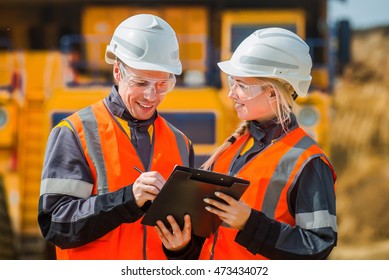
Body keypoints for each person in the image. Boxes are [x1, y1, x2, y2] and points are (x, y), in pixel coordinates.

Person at [156, 27, 337, 260]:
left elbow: (318, 246)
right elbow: (209, 239)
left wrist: (250, 223)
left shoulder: (308, 161)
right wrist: (180, 248)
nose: (232, 94)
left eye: (241, 85)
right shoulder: (230, 150)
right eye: (232, 82)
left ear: (273, 92)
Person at [37, 14, 195, 260]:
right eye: (141, 83)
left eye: (162, 84)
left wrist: (181, 248)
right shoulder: (74, 133)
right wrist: (128, 199)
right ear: (118, 72)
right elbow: (57, 225)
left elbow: (185, 235)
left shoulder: (181, 143)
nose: (151, 96)